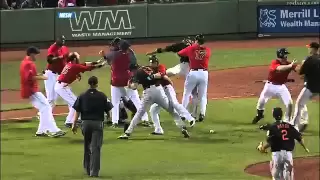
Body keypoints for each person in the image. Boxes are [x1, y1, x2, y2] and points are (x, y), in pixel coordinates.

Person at [118, 66, 190, 139]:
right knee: (171, 110)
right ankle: (182, 127)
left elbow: (134, 87)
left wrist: (129, 85)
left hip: (149, 93)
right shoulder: (148, 68)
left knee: (139, 113)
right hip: (159, 90)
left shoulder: (137, 73)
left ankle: (127, 132)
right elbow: (159, 75)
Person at [146, 36, 199, 117]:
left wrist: (152, 52)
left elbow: (165, 49)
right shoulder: (196, 47)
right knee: (194, 93)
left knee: (163, 74)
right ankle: (194, 114)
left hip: (184, 67)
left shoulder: (181, 45)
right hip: (193, 69)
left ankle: (153, 89)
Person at [71, 76, 113, 178]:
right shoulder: (102, 96)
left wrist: (74, 124)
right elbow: (108, 110)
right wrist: (109, 118)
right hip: (97, 124)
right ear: (97, 84)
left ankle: (87, 168)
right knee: (96, 148)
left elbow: (77, 111)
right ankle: (94, 172)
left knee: (87, 146)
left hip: (85, 124)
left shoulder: (82, 95)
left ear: (89, 84)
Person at [20, 46, 65, 137]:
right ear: (32, 54)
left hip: (31, 90)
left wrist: (40, 74)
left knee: (45, 108)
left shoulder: (25, 62)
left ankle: (41, 131)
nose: (37, 56)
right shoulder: (28, 64)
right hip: (31, 91)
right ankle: (53, 130)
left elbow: (31, 75)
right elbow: (29, 78)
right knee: (47, 107)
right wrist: (44, 77)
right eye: (36, 54)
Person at [256, 107, 309, 180]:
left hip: (277, 155)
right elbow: (299, 137)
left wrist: (262, 148)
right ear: (281, 115)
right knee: (289, 178)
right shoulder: (289, 126)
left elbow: (271, 141)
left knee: (277, 177)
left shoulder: (272, 127)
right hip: (288, 155)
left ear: (273, 115)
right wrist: (305, 147)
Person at [55, 52, 105, 127]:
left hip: (61, 85)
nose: (79, 57)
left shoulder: (70, 64)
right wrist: (100, 65)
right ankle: (69, 121)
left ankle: (73, 119)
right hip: (62, 87)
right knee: (75, 103)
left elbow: (84, 64)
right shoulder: (74, 66)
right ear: (74, 59)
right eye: (78, 56)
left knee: (73, 102)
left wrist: (96, 62)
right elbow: (87, 68)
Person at [148, 55, 195, 135]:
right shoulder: (149, 69)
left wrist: (151, 77)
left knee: (174, 103)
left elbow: (161, 74)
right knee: (153, 109)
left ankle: (190, 118)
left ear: (156, 62)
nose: (152, 64)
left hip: (167, 88)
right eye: (151, 63)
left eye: (153, 63)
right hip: (160, 92)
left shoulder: (161, 67)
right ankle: (158, 129)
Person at [252, 48, 298, 124]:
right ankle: (260, 115)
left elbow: (298, 69)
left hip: (281, 87)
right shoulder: (275, 62)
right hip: (270, 86)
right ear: (281, 55)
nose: (286, 56)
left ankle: (287, 121)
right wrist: (290, 66)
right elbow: (279, 68)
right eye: (285, 55)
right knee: (261, 102)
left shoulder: (289, 64)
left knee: (289, 103)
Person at [100, 40, 137, 128]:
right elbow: (133, 65)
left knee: (115, 102)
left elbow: (106, 58)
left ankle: (115, 122)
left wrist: (103, 55)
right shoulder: (130, 55)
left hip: (116, 81)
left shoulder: (113, 54)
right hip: (127, 80)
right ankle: (143, 118)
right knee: (134, 99)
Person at [178, 34, 211, 122]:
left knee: (187, 94)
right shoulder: (208, 50)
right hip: (204, 74)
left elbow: (180, 53)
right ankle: (202, 113)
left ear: (196, 40)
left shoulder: (191, 48)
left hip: (193, 73)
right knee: (203, 95)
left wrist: (191, 46)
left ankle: (182, 113)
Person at [291, 43, 320, 132]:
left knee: (299, 103)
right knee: (302, 103)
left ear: (313, 49)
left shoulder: (309, 59)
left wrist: (294, 66)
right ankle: (304, 121)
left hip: (310, 87)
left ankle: (294, 126)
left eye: (309, 48)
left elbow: (300, 72)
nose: (308, 49)